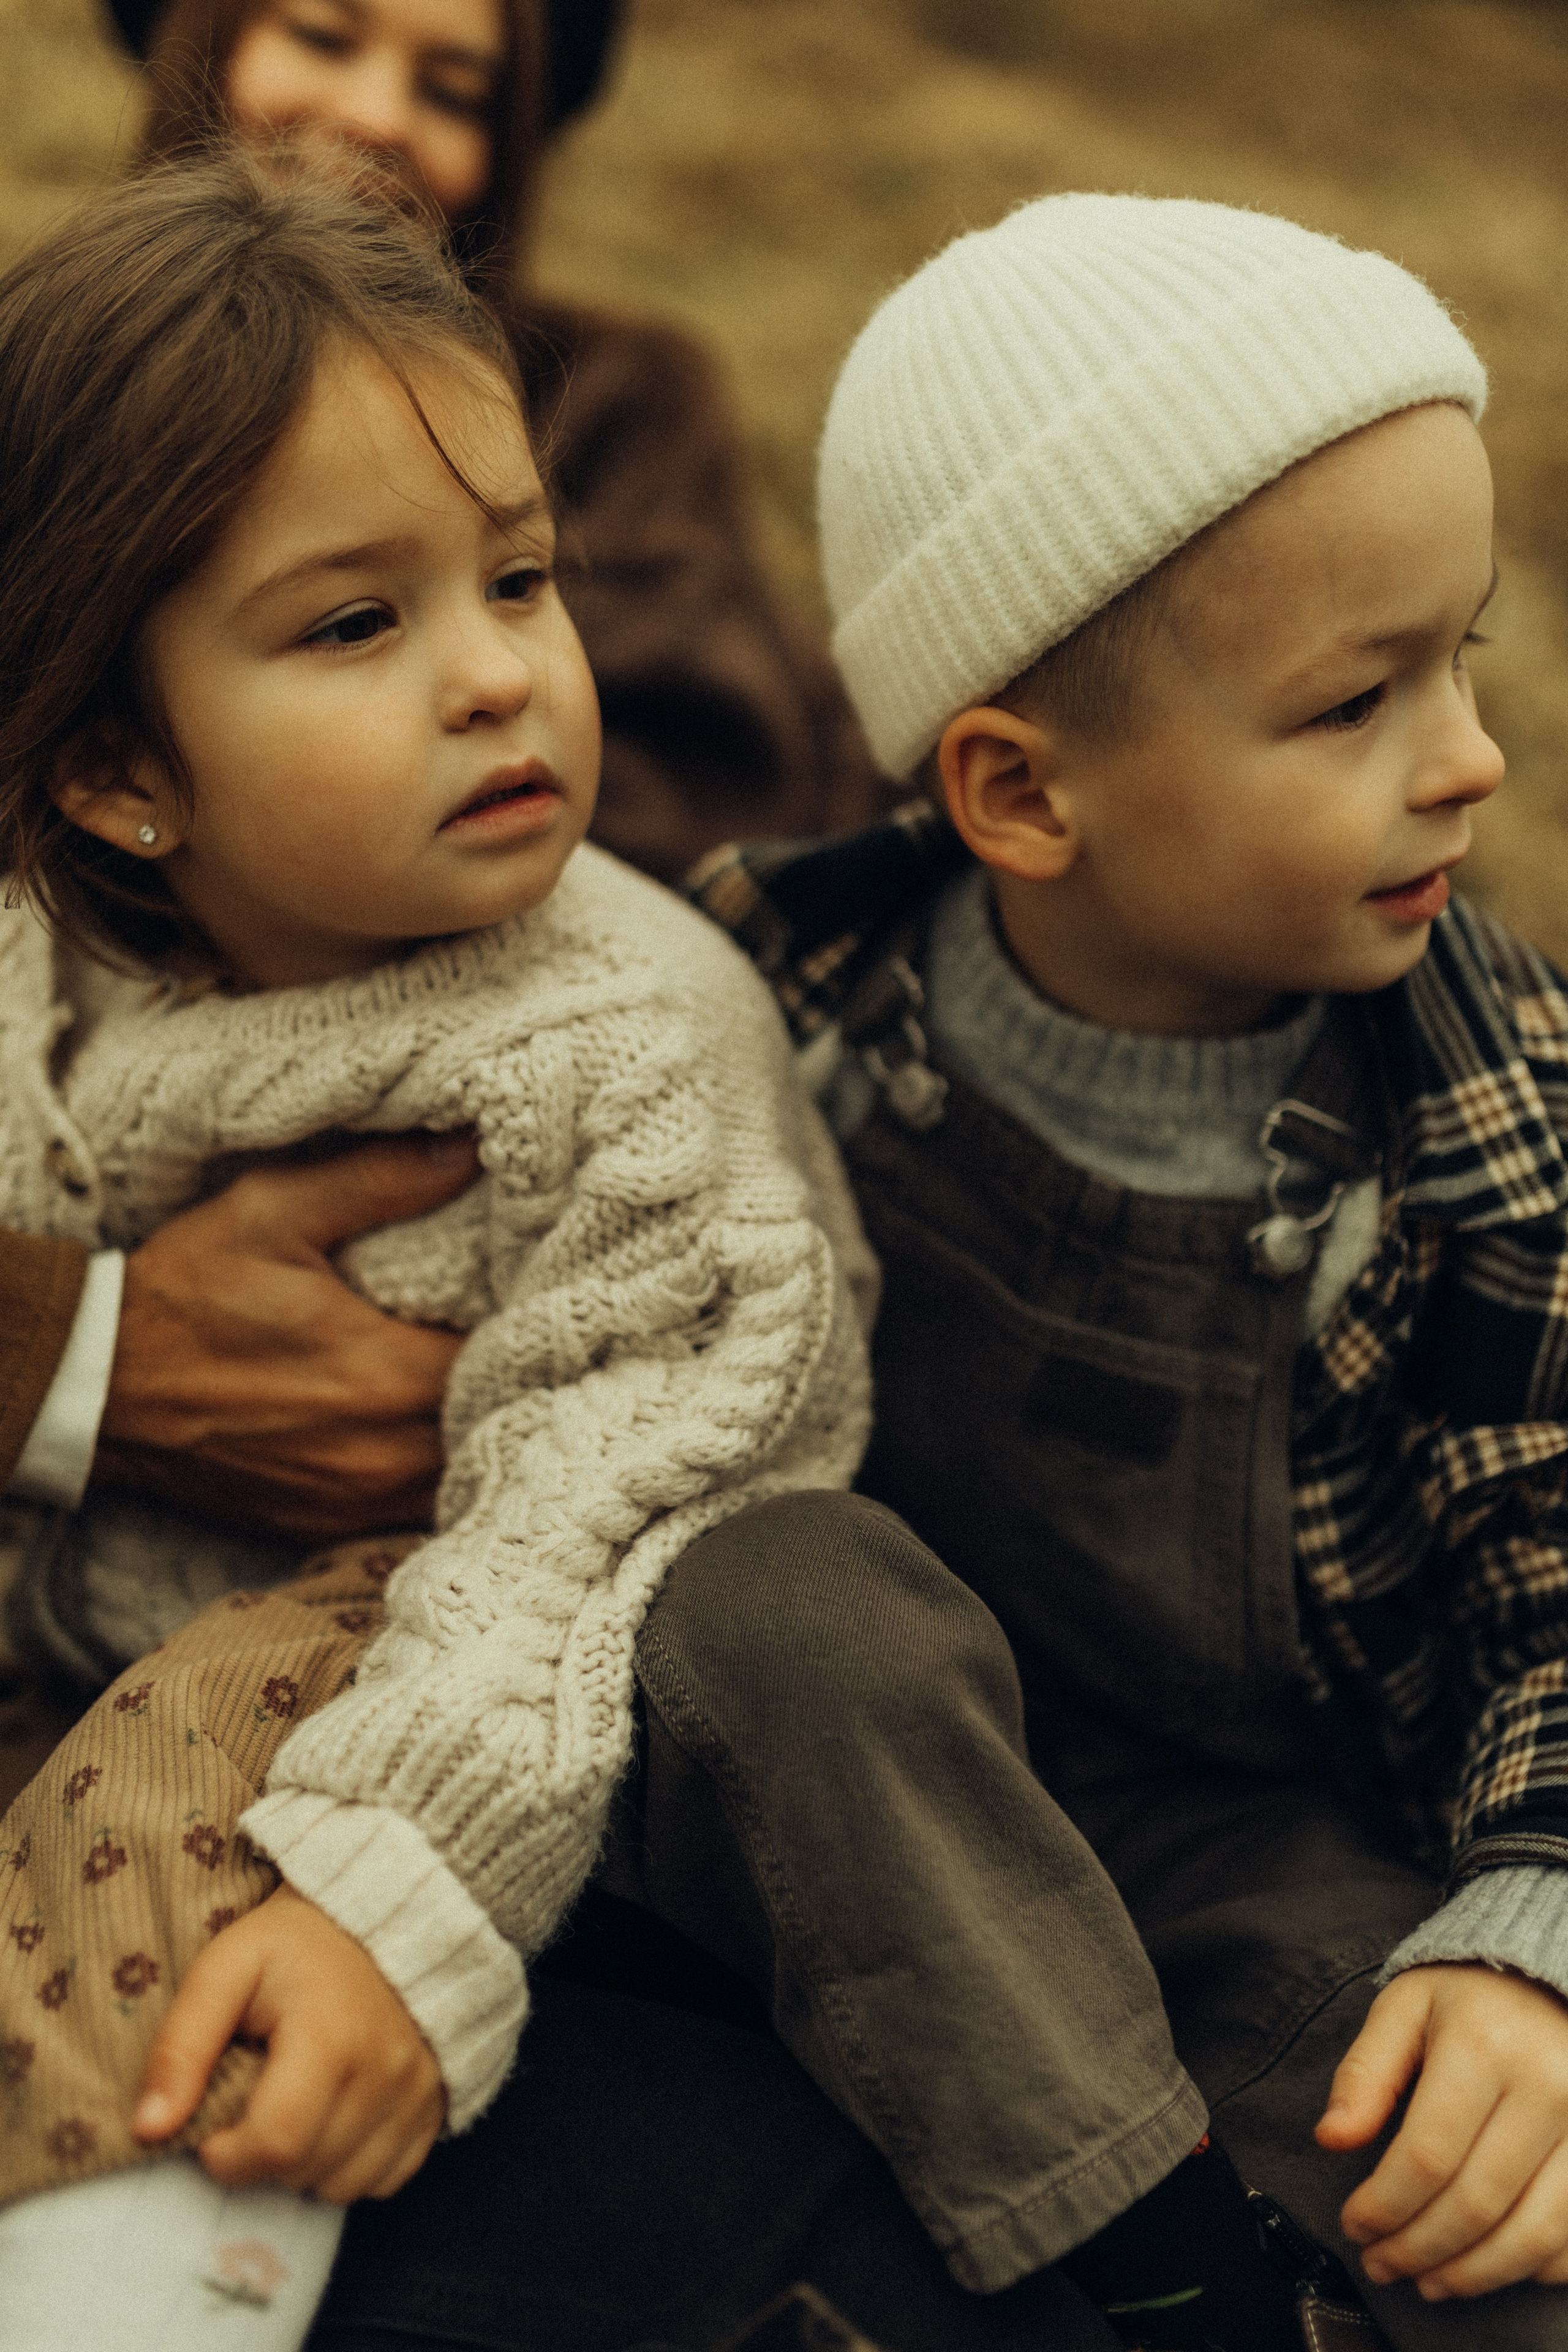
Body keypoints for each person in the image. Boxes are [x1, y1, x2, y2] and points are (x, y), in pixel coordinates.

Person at [630, 194, 1568, 2352]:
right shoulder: (767, 993)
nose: (1470, 756)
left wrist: (1522, 1927)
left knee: (1491, 2225)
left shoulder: (1486, 1121)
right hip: (829, 1790)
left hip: (1241, 1854)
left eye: (1469, 654)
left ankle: (1164, 2255)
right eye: (1358, 702)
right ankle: (1152, 2277)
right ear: (1020, 794)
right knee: (769, 1596)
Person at [0, 148, 870, 2351]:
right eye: (357, 623)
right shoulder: (39, 957)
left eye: (516, 578)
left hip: (452, 1649)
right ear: (118, 776)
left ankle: (143, 2280)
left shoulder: (622, 1038)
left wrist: (403, 1905)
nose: (498, 677)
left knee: (170, 1803)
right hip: (70, 1596)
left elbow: (623, 1508)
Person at [0, 0, 888, 1604]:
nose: (377, 115)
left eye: (458, 84)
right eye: (322, 34)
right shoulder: (51, 399)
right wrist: (82, 1344)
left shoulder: (605, 401)